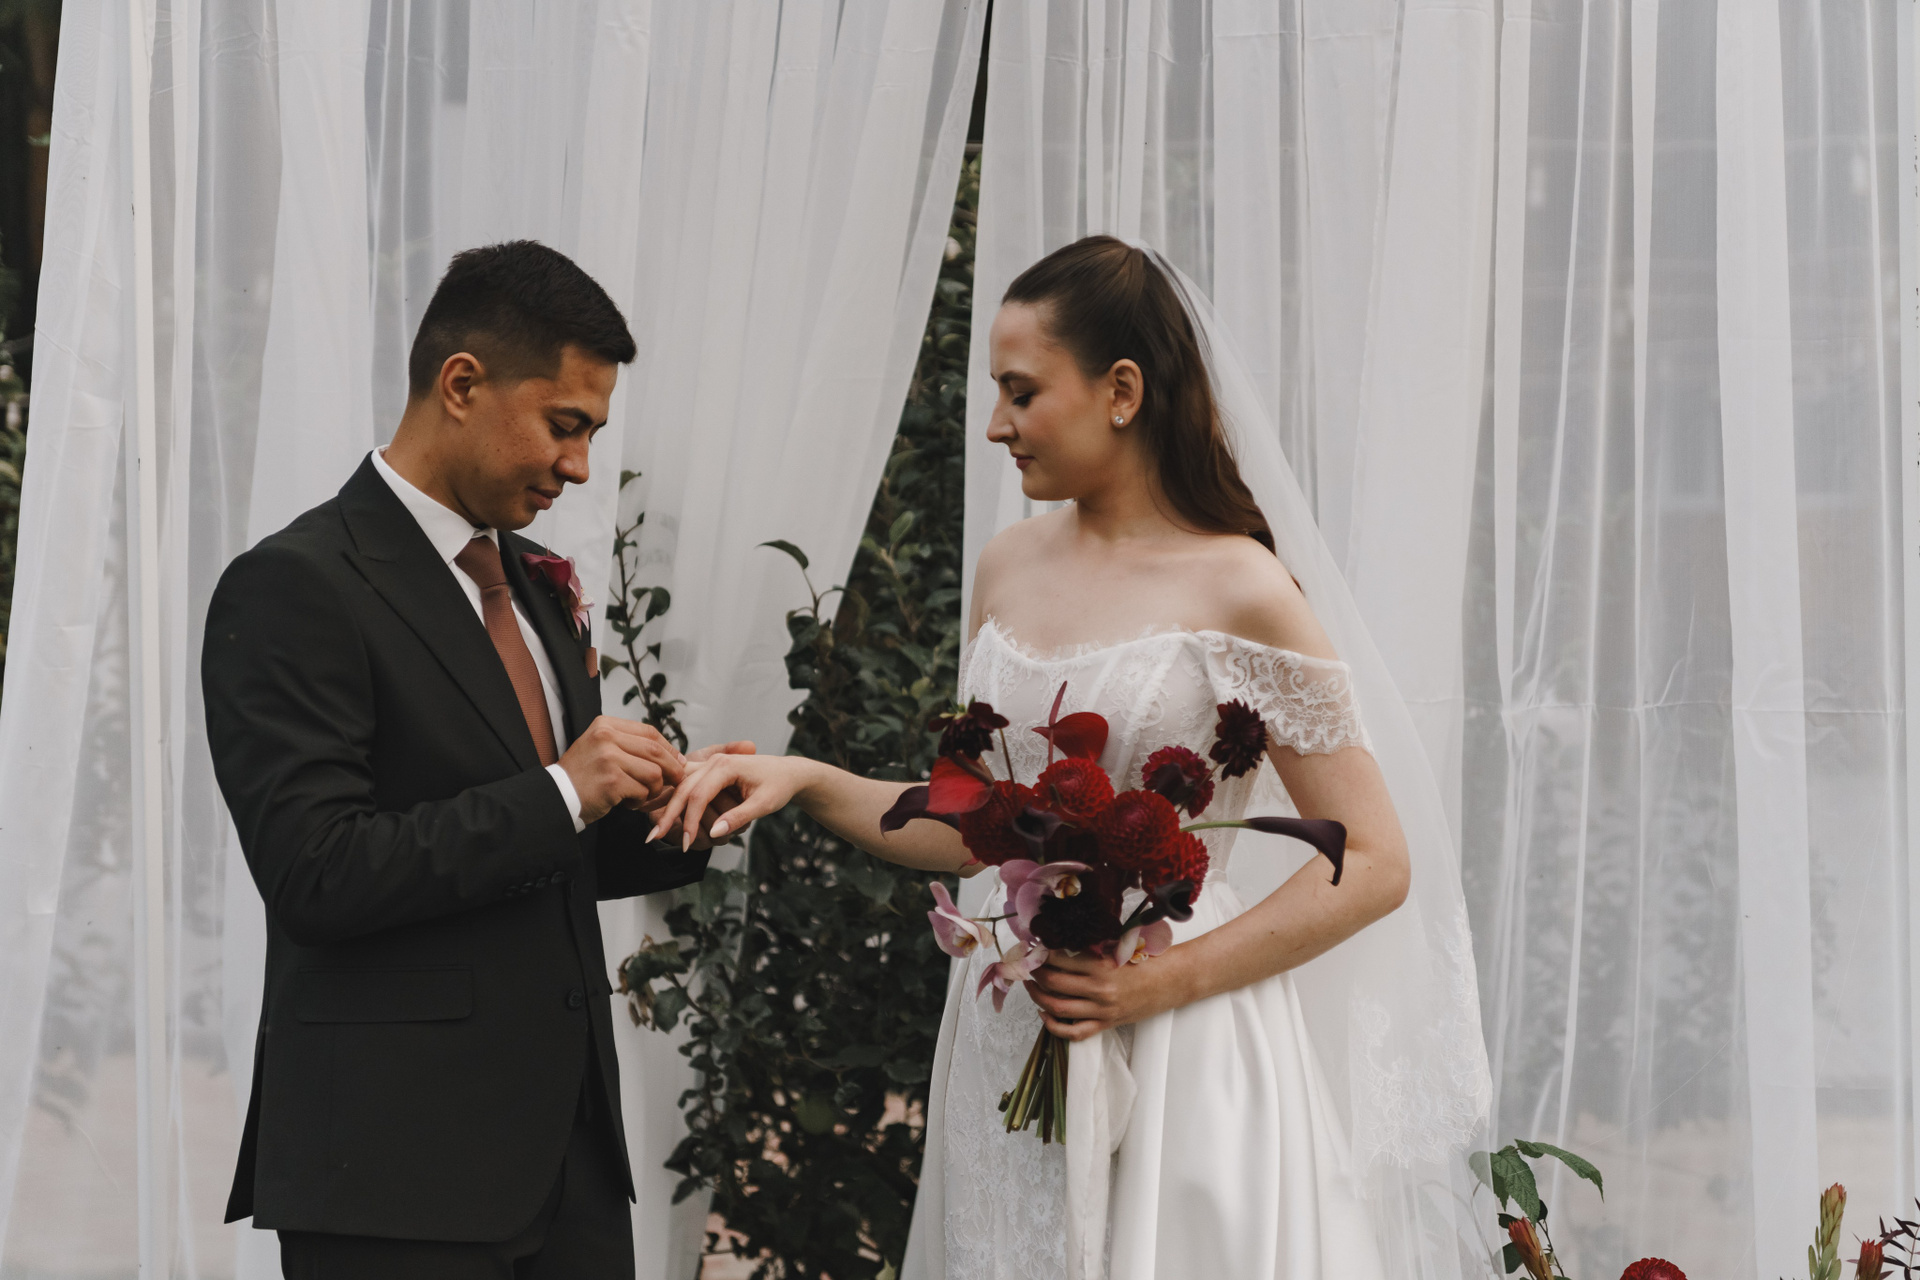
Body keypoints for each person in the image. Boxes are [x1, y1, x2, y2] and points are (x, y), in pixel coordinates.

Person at [652, 236, 1490, 1279]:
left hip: (1182, 1044)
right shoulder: (1008, 565)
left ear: (1121, 391)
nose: (996, 425)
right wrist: (806, 781)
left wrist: (1158, 984)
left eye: (1021, 392)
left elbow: (1373, 861)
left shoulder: (1243, 588)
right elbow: (976, 827)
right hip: (1011, 1016)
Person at [202, 240, 746, 1279]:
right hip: (393, 1176)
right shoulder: (294, 585)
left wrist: (689, 809)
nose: (578, 464)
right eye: (564, 423)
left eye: (591, 433)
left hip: (570, 1165)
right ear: (461, 384)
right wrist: (566, 787)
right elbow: (317, 872)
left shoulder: (536, 582)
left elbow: (548, 850)